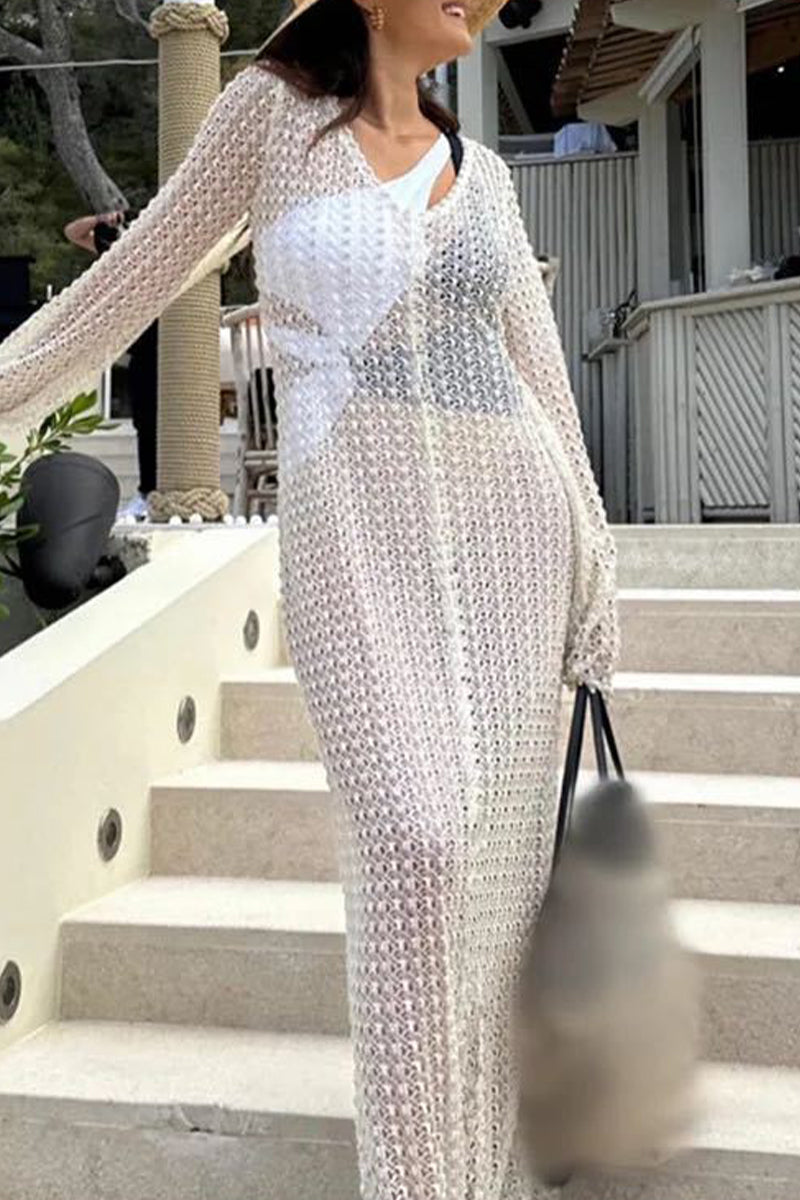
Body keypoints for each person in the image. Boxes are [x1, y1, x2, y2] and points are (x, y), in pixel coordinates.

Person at [0, 1, 621, 1195]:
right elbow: (132, 277)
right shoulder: (272, 119)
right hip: (352, 546)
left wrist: (594, 569)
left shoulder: (485, 178)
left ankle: (472, 1174)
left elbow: (542, 384)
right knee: (413, 847)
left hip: (515, 551)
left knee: (490, 895)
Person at [63, 209, 158, 520]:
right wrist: (102, 219)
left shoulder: (161, 249)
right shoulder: (115, 248)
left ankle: (165, 488)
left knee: (169, 421)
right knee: (145, 422)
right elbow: (73, 232)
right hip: (141, 344)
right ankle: (148, 492)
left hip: (172, 339)